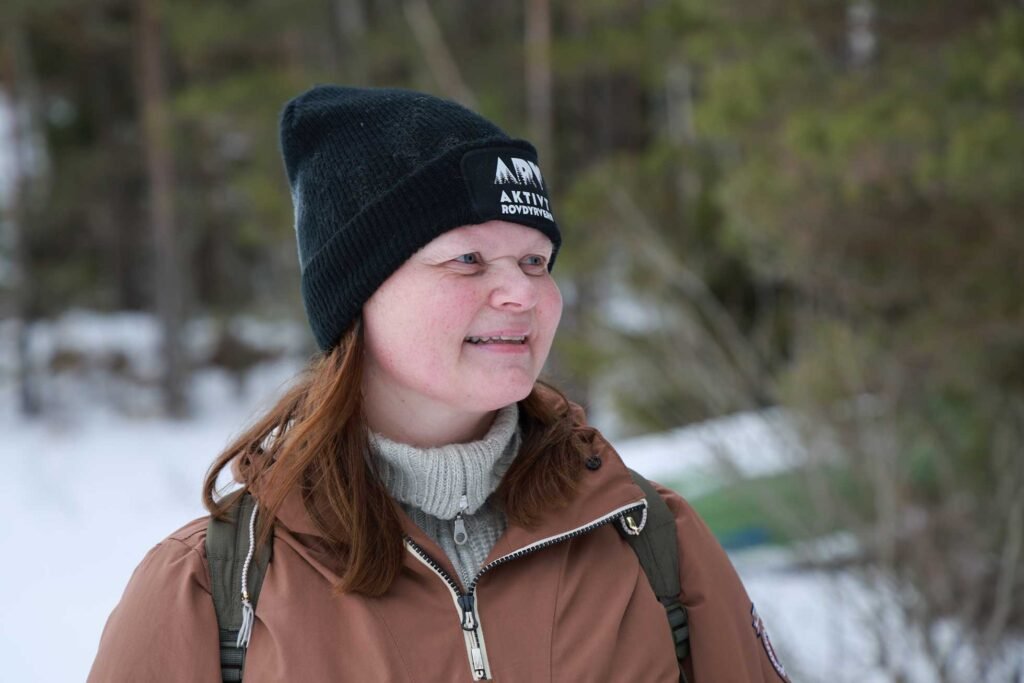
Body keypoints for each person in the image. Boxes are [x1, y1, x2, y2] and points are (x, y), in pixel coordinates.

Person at [89, 85, 790, 682]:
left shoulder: (651, 539)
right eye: (468, 259)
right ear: (359, 292)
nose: (522, 293)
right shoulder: (212, 590)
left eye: (536, 261)